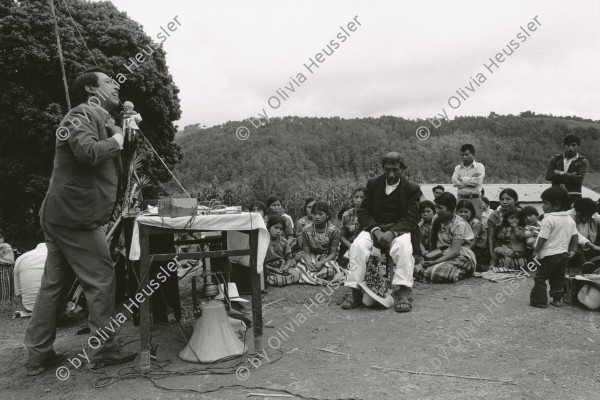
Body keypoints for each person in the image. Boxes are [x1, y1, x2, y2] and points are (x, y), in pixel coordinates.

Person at [24, 68, 136, 376]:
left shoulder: (97, 117)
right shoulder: (80, 114)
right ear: (91, 89)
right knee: (101, 278)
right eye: (109, 82)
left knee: (55, 285)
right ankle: (103, 350)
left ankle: (38, 355)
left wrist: (121, 129)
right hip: (75, 217)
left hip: (63, 214)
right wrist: (117, 139)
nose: (116, 86)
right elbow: (87, 152)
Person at [341, 152, 421, 312]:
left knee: (403, 248)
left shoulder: (412, 188)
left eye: (395, 170)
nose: (391, 174)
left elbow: (411, 218)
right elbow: (364, 212)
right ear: (383, 168)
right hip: (374, 228)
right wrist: (376, 231)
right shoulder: (373, 184)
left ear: (403, 169)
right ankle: (355, 291)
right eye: (387, 170)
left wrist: (392, 233)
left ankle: (403, 292)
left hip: (399, 229)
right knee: (357, 246)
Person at [530, 187, 578, 308]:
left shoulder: (548, 219)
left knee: (540, 278)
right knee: (557, 277)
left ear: (556, 205)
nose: (542, 206)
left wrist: (536, 250)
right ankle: (557, 300)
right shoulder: (569, 219)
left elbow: (542, 237)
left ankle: (539, 301)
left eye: (545, 203)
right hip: (563, 254)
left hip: (549, 255)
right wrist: (573, 249)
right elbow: (575, 236)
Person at [416, 193, 476, 283]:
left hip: (460, 256)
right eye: (436, 207)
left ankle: (424, 272)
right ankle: (425, 271)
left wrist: (434, 262)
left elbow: (455, 252)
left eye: (440, 208)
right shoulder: (436, 218)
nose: (437, 210)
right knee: (413, 263)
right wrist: (431, 257)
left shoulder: (459, 224)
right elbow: (434, 243)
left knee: (434, 271)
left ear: (451, 208)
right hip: (441, 253)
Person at [295, 202, 342, 281]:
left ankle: (310, 277)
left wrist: (321, 263)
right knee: (301, 267)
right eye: (314, 214)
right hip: (311, 256)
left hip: (327, 258)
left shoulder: (334, 230)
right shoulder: (306, 230)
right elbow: (306, 252)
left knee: (330, 269)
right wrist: (310, 264)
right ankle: (315, 276)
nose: (317, 217)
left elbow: (333, 253)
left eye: (320, 214)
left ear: (327, 215)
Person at [545, 133, 589, 204]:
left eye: (574, 145)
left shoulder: (583, 161)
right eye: (568, 145)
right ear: (564, 146)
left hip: (574, 196)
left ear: (579, 147)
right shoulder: (554, 159)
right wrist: (572, 176)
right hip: (556, 195)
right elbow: (548, 176)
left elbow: (579, 179)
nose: (570, 148)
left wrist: (560, 173)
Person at [488, 188, 521, 268]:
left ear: (515, 201)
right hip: (501, 248)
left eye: (508, 199)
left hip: (518, 248)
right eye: (502, 199)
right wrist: (492, 257)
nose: (504, 202)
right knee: (500, 263)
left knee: (519, 263)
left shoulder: (520, 213)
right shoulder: (494, 216)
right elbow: (490, 238)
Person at [13, 239, 47, 315]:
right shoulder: (57, 256)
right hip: (53, 307)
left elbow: (18, 294)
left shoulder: (20, 258)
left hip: (29, 308)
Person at [452, 144, 485, 219]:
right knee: (458, 221)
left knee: (476, 222)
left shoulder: (479, 166)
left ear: (473, 154)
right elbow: (454, 182)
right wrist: (470, 181)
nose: (464, 157)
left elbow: (477, 181)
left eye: (467, 154)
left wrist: (462, 179)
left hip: (474, 199)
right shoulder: (457, 168)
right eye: (462, 155)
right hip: (460, 199)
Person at [265, 215, 300, 286]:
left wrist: (286, 267)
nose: (278, 231)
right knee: (265, 276)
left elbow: (289, 258)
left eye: (281, 229)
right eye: (275, 228)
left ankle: (278, 279)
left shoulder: (284, 242)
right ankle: (275, 279)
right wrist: (273, 269)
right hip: (267, 266)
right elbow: (260, 262)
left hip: (281, 266)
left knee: (297, 274)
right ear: (268, 227)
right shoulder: (263, 240)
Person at [567, 198, 600, 271]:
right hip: (573, 249)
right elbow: (574, 233)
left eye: (588, 216)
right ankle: (586, 267)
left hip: (589, 249)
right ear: (576, 211)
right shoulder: (568, 216)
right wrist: (592, 246)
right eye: (583, 215)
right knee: (575, 245)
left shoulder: (593, 214)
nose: (585, 219)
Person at [456, 200, 488, 270]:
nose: (463, 214)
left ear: (471, 212)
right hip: (464, 248)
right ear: (456, 212)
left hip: (477, 251)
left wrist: (463, 254)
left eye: (466, 212)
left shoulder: (475, 223)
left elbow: (473, 242)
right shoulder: (458, 222)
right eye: (460, 212)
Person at [339, 188, 366, 261]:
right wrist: (349, 245)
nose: (358, 200)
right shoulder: (347, 214)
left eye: (362, 197)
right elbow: (341, 236)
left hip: (364, 247)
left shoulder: (370, 215)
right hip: (348, 246)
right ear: (352, 198)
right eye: (356, 197)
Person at [0, 229, 15, 302]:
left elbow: (11, 258)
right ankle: (4, 302)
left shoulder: (7, 245)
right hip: (2, 268)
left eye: (1, 237)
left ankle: (10, 302)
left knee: (10, 287)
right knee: (3, 287)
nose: (0, 239)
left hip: (10, 269)